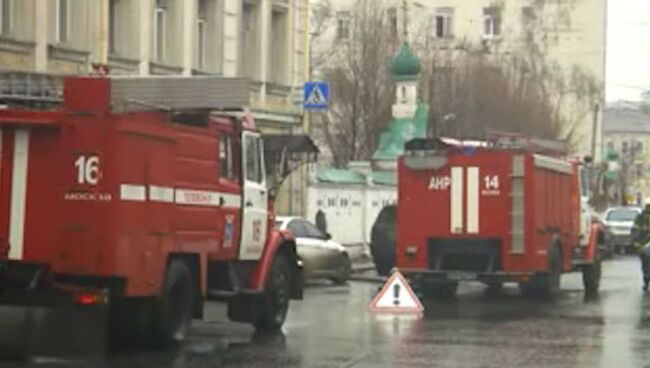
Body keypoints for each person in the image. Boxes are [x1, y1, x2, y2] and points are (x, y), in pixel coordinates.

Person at [632, 200, 650, 291]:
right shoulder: (641, 217)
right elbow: (635, 229)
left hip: (644, 244)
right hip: (644, 244)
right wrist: (636, 241)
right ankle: (646, 281)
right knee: (646, 264)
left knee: (646, 264)